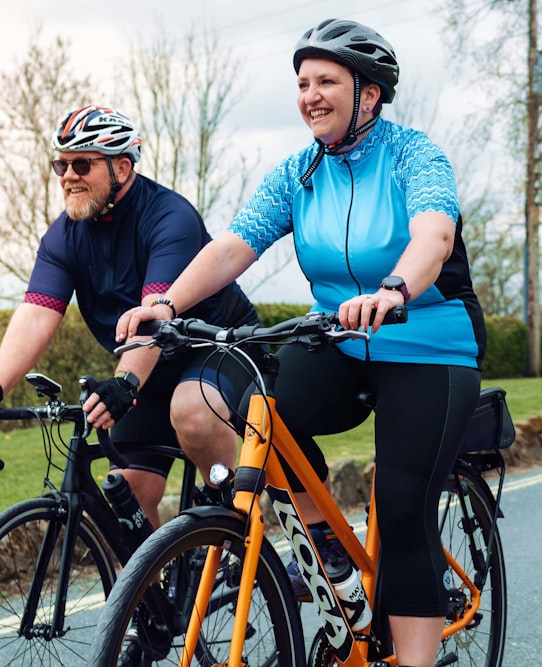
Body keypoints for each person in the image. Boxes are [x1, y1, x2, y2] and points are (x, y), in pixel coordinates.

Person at [116, 19, 486, 667]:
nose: (310, 94)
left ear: (368, 94)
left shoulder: (414, 154)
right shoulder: (299, 172)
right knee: (260, 417)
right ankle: (326, 547)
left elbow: (434, 234)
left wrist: (396, 289)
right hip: (337, 337)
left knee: (402, 507)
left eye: (327, 82)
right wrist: (168, 301)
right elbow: (236, 244)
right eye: (303, 83)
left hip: (428, 343)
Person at [0, 104, 260, 532]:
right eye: (61, 164)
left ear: (123, 167)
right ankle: (155, 594)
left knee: (192, 413)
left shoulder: (170, 218)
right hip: (148, 370)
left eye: (81, 164)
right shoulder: (63, 236)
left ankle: (234, 535)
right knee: (124, 496)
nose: (67, 176)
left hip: (214, 350)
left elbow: (154, 318)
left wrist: (126, 382)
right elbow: (37, 314)